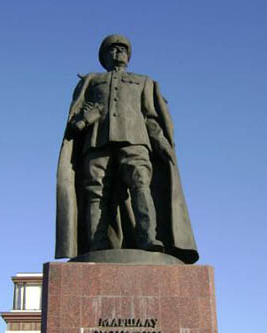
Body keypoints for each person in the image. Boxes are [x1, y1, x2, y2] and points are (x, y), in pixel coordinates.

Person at [55, 34, 199, 264]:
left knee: (141, 185)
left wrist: (161, 141)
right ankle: (97, 244)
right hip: (97, 143)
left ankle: (148, 238)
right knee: (95, 192)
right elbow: (73, 122)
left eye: (123, 48)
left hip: (135, 141)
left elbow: (150, 117)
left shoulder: (143, 82)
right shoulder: (91, 81)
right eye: (112, 49)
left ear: (129, 55)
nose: (118, 52)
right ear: (104, 56)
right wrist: (84, 119)